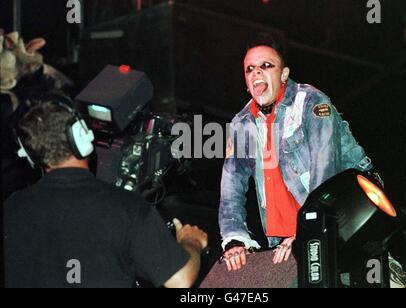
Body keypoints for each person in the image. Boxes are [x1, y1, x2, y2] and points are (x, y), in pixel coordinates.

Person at [3, 98, 208, 288]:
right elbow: (180, 279)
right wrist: (191, 242)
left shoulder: (11, 209)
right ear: (82, 137)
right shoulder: (126, 208)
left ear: (29, 154)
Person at [218, 35, 375, 271]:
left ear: (284, 75)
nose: (257, 73)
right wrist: (236, 239)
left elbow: (326, 174)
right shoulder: (242, 124)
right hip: (286, 241)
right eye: (250, 69)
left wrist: (304, 232)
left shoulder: (310, 102)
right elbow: (231, 190)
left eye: (266, 66)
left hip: (347, 221)